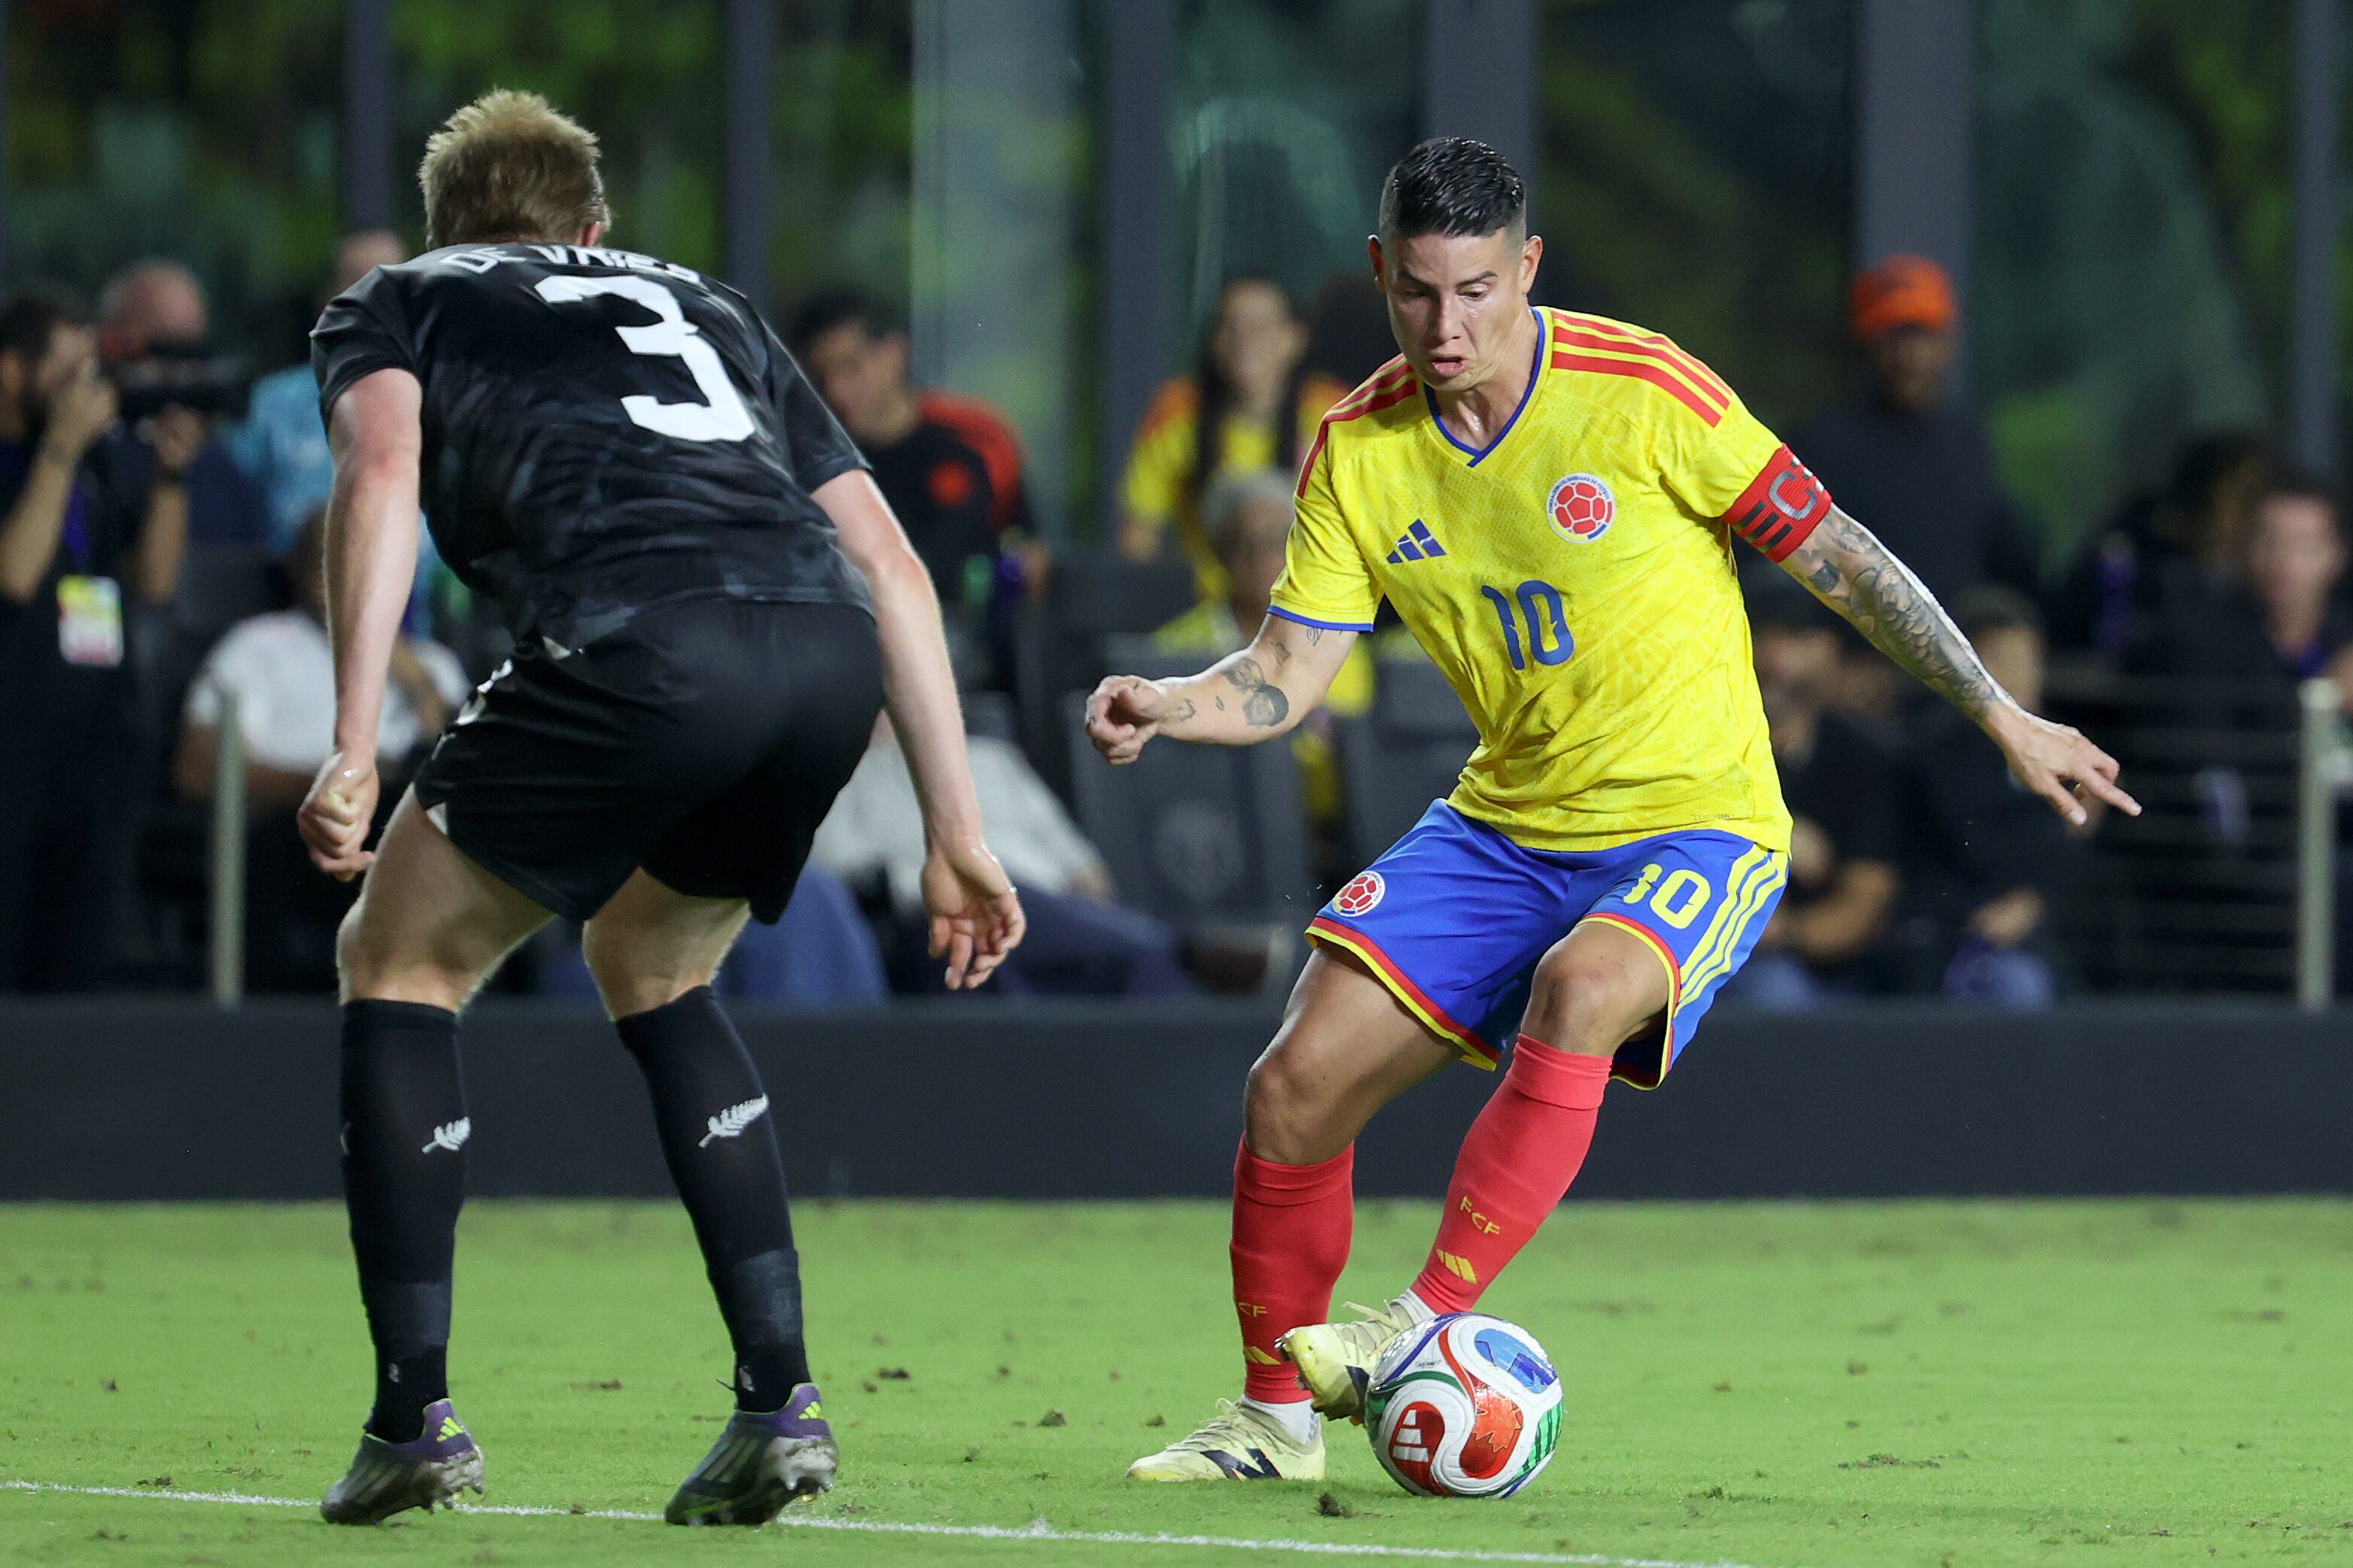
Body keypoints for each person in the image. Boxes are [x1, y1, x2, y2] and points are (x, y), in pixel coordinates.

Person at [1090, 138, 2135, 1483]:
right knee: (1290, 1089)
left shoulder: (1641, 391)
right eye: (1417, 294)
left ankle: (1413, 1327)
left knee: (1583, 991)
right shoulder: (1355, 447)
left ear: (1525, 267)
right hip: (1501, 824)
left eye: (1476, 290)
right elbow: (1287, 675)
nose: (1447, 326)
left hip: (1694, 821)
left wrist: (1998, 711)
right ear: (1378, 277)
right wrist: (1173, 701)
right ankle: (1273, 1425)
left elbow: (1840, 559)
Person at [296, 91, 1025, 1527]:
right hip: (822, 652)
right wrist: (957, 829)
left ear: (454, 225)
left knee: (400, 958)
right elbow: (883, 556)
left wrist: (351, 737)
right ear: (592, 228)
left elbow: (379, 467)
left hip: (642, 637)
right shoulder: (715, 305)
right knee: (652, 961)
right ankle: (778, 1403)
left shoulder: (397, 297)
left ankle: (410, 1421)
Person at [172, 510, 469, 991]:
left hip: (409, 830)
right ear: (301, 569)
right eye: (333, 559)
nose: (351, 575)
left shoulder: (430, 663)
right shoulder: (258, 647)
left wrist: (414, 682)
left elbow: (466, 772)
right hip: (297, 832)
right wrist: (334, 786)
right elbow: (197, 770)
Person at [0, 293, 201, 991]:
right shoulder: (36, 457)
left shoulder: (100, 462)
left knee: (79, 947)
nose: (82, 387)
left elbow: (153, 579)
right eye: (65, 366)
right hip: (15, 735)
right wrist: (58, 445)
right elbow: (15, 576)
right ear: (11, 370)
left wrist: (170, 475)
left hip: (99, 732)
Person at [813, 714, 1192, 997]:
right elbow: (846, 880)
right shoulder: (851, 776)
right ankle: (1182, 950)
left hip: (1049, 905)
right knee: (1148, 956)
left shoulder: (995, 759)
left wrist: (1091, 909)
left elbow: (1083, 868)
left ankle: (1169, 951)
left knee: (1138, 964)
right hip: (947, 914)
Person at [1788, 255, 2040, 610]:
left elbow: (2006, 556)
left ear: (1947, 343)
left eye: (1922, 334)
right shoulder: (1823, 441)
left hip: (1954, 641)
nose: (1909, 354)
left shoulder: (1965, 439)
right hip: (1856, 646)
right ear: (1866, 346)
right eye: (1891, 336)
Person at [1151, 467, 1374, 850]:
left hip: (1327, 834)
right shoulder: (1173, 650)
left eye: (1277, 539)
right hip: (1221, 833)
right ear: (1219, 554)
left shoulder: (1342, 642)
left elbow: (1359, 757)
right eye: (1245, 542)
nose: (1263, 556)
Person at [788, 290, 1037, 618]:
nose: (836, 389)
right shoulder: (811, 460)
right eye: (823, 376)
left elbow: (1031, 550)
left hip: (973, 641)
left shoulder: (977, 437)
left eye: (850, 367)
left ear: (894, 353)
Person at [1718, 576, 1900, 1008]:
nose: (1773, 657)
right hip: (1686, 941)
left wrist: (1784, 931)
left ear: (1830, 651)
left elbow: (1863, 908)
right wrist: (1772, 832)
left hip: (1812, 972)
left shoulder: (1863, 757)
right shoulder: (1694, 742)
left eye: (1795, 637)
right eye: (1759, 636)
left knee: (1778, 991)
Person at [1901, 589, 2082, 1007]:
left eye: (2029, 660)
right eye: (2004, 660)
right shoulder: (1941, 745)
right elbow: (1979, 843)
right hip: (1951, 941)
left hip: (2033, 936)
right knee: (2018, 987)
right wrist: (2068, 824)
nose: (2023, 675)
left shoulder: (2049, 746)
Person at [1117, 275, 1347, 589]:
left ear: (1295, 338)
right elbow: (1139, 534)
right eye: (1229, 325)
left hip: (1310, 606)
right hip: (1209, 614)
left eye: (1260, 326)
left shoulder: (1333, 412)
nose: (1243, 338)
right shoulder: (1179, 411)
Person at [225, 232, 409, 553]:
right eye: (355, 279)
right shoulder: (273, 403)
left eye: (389, 280)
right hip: (294, 595)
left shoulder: (444, 395)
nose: (373, 296)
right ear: (324, 298)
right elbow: (233, 515)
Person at [96, 259, 268, 547]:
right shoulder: (90, 451)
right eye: (163, 346)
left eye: (192, 350)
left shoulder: (219, 470)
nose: (182, 369)